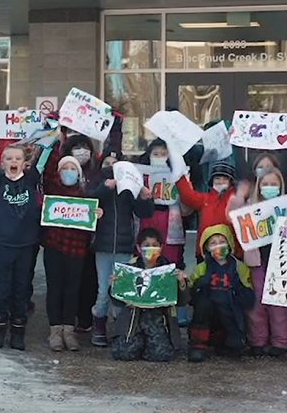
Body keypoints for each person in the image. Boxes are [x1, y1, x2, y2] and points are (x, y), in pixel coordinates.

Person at [0, 131, 50, 351]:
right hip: (3, 244)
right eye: (9, 158)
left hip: (26, 245)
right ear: (3, 163)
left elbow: (45, 154)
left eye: (18, 159)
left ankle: (18, 332)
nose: (13, 162)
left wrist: (53, 132)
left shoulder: (32, 178)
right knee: (2, 290)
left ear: (25, 163)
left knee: (21, 290)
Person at [87, 153, 155, 348]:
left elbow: (144, 212)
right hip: (103, 247)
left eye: (115, 164)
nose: (111, 168)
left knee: (122, 289)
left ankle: (121, 327)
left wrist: (145, 198)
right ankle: (99, 325)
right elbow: (88, 201)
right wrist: (104, 188)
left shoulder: (128, 189)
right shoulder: (99, 185)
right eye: (107, 164)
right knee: (102, 290)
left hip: (125, 247)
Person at [230, 167, 287, 357]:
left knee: (279, 302)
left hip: (280, 260)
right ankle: (257, 340)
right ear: (258, 186)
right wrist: (240, 196)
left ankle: (281, 341)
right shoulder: (249, 205)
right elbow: (232, 216)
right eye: (265, 184)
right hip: (256, 260)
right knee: (256, 301)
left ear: (281, 185)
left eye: (274, 184)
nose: (269, 187)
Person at [41, 152, 101, 352]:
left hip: (77, 249)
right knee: (55, 288)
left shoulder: (85, 196)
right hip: (54, 247)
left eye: (72, 168)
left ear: (79, 173)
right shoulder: (51, 190)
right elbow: (46, 170)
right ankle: (55, 331)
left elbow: (89, 223)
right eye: (65, 168)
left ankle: (69, 330)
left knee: (72, 289)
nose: (68, 172)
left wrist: (96, 215)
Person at [108, 228, 189, 362]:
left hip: (158, 320)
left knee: (161, 355)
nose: (151, 249)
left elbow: (182, 302)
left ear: (161, 247)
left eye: (155, 245)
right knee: (123, 354)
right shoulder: (129, 269)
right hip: (133, 320)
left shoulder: (169, 270)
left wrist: (181, 283)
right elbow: (117, 301)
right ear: (139, 248)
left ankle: (149, 345)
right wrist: (114, 286)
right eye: (146, 245)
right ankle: (139, 344)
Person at [187, 224, 255, 362]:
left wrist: (240, 290)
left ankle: (223, 337)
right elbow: (191, 295)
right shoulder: (202, 268)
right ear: (206, 247)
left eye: (222, 242)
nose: (218, 246)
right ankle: (198, 344)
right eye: (213, 243)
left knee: (236, 347)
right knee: (203, 305)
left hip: (230, 309)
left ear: (229, 244)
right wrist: (200, 285)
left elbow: (249, 297)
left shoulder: (239, 267)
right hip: (207, 310)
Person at [176, 161, 244, 260]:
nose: (220, 181)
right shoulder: (205, 199)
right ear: (212, 181)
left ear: (231, 182)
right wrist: (180, 176)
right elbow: (188, 196)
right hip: (205, 252)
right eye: (217, 178)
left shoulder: (237, 199)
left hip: (230, 251)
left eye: (225, 179)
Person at [138, 139, 188, 266]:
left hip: (170, 220)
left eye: (163, 154)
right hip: (148, 218)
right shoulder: (141, 177)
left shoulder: (179, 177)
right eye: (155, 154)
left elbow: (187, 210)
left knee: (170, 258)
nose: (159, 157)